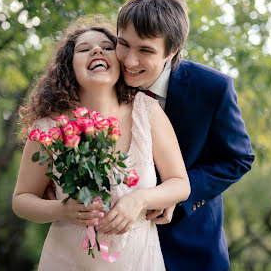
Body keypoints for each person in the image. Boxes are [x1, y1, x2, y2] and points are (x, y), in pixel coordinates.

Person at [12, 15, 190, 270]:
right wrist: (61, 210)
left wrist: (139, 199)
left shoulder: (146, 111)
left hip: (140, 259)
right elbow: (21, 200)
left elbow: (180, 184)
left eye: (107, 47)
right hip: (68, 259)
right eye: (84, 49)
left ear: (119, 61)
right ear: (69, 66)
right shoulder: (49, 127)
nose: (97, 50)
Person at [98, 0, 255, 271]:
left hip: (189, 246)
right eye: (124, 44)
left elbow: (238, 158)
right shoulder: (102, 79)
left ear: (172, 50)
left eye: (145, 50)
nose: (129, 61)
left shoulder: (213, 88)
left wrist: (177, 195)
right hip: (110, 247)